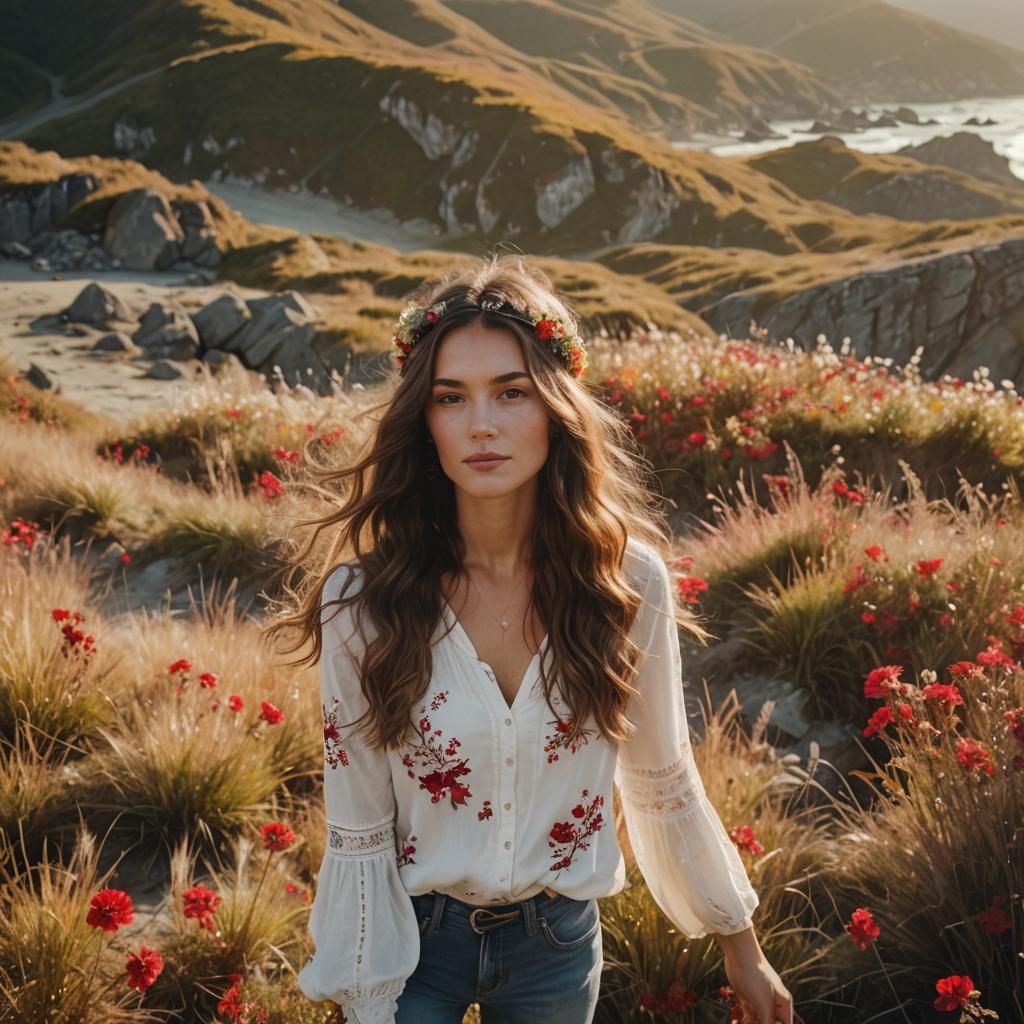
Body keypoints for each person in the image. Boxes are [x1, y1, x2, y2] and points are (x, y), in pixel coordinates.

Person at [266, 252, 800, 1024]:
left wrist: (741, 948)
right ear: (425, 421)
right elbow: (359, 825)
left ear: (556, 406)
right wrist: (367, 998)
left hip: (557, 947)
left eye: (511, 392)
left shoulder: (627, 583)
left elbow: (663, 778)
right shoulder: (364, 601)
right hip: (414, 945)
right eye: (451, 397)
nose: (481, 424)